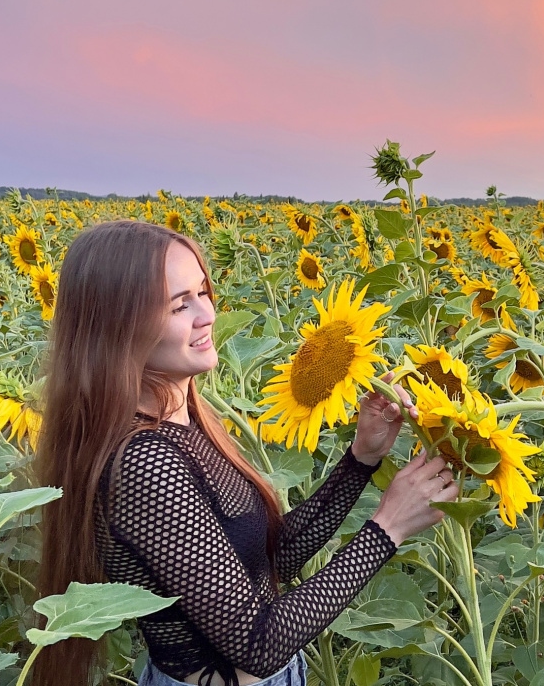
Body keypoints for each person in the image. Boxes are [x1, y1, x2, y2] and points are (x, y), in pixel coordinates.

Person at [32, 220, 458, 686]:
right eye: (179, 305)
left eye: (203, 292)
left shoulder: (184, 424)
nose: (207, 314)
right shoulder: (144, 462)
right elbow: (258, 641)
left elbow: (269, 562)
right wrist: (387, 528)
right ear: (118, 324)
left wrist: (361, 458)